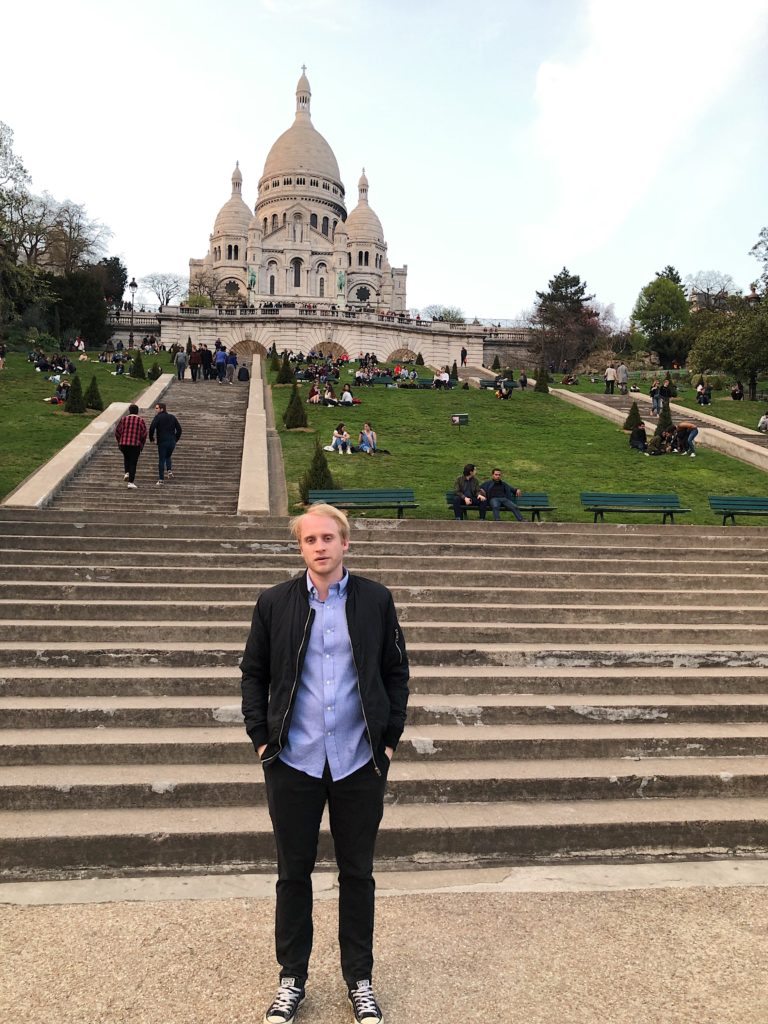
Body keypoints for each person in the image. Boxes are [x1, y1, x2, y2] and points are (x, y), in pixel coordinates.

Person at [241, 505, 409, 1024]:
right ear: (300, 548)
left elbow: (396, 671)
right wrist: (261, 741)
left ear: (346, 544)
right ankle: (292, 979)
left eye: (329, 537)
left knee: (358, 873)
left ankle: (359, 979)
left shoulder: (376, 600)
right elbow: (254, 672)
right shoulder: (274, 602)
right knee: (294, 874)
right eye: (310, 539)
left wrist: (389, 743)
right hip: (294, 760)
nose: (320, 546)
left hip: (359, 761)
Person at [148, 401, 182, 484]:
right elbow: (179, 430)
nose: (155, 410)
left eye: (156, 408)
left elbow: (152, 428)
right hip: (172, 441)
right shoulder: (172, 417)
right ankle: (169, 471)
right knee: (168, 456)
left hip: (162, 441)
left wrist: (151, 438)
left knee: (161, 459)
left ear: (161, 409)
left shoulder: (158, 417)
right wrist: (175, 439)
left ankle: (161, 480)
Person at [114, 404, 148, 488]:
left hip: (124, 443)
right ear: (137, 411)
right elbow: (144, 434)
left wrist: (120, 441)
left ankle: (127, 472)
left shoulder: (124, 419)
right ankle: (131, 482)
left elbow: (117, 431)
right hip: (135, 444)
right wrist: (142, 444)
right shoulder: (140, 420)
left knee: (126, 458)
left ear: (129, 411)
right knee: (133, 462)